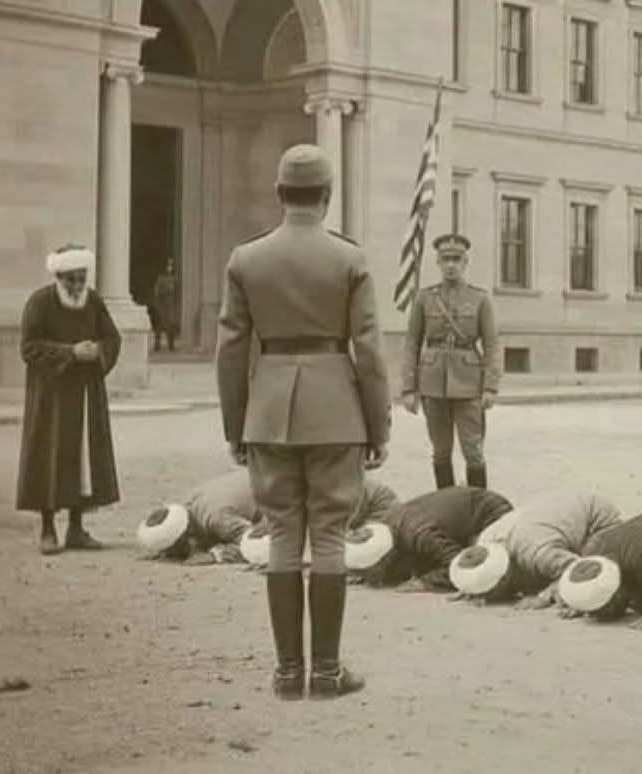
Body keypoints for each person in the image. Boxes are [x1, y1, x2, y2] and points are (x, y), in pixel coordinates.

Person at [216, 143, 391, 701]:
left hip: (268, 412)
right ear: (327, 195)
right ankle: (328, 671)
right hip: (337, 411)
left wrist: (236, 426)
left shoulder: (246, 259)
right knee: (331, 536)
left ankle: (289, 673)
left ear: (279, 193)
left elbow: (229, 351)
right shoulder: (349, 258)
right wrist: (378, 427)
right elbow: (369, 351)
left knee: (283, 537)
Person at [16, 245, 121, 556]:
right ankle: (48, 529)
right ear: (58, 277)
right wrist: (70, 352)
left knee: (83, 459)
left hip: (86, 394)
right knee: (49, 457)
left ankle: (76, 528)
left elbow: (112, 337)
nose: (77, 286)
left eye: (81, 278)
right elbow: (29, 347)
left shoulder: (94, 301)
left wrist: (99, 351)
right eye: (70, 280)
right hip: (51, 397)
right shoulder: (39, 303)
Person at [401, 233, 501, 490]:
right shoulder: (424, 298)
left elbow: (492, 345)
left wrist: (490, 387)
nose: (451, 265)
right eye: (445, 259)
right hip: (433, 383)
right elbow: (412, 343)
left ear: (466, 262)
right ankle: (445, 504)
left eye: (456, 259)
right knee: (440, 452)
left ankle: (478, 504)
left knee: (473, 450)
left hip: (469, 385)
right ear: (438, 262)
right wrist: (409, 388)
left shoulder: (480, 299)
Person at [135, 471, 401, 565]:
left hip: (361, 503)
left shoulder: (217, 518)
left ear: (189, 537)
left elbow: (255, 543)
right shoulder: (193, 501)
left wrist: (217, 554)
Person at [446, 491, 623, 609]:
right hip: (554, 512)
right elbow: (477, 563)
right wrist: (469, 587)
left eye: (489, 591)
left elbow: (576, 567)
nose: (485, 597)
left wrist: (546, 596)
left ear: (504, 577)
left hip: (596, 517)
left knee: (594, 564)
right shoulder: (486, 540)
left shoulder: (538, 553)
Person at [344, 486, 513, 592]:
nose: (371, 578)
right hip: (462, 513)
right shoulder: (385, 527)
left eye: (371, 570)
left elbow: (456, 562)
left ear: (384, 558)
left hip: (494, 516)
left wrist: (426, 582)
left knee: (483, 571)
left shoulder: (419, 535)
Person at [152, 258, 180, 352]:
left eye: (171, 266)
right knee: (159, 326)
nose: (169, 268)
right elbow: (157, 292)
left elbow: (177, 294)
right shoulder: (161, 279)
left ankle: (171, 345)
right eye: (168, 265)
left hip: (171, 306)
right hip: (162, 306)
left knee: (170, 326)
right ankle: (157, 345)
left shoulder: (174, 279)